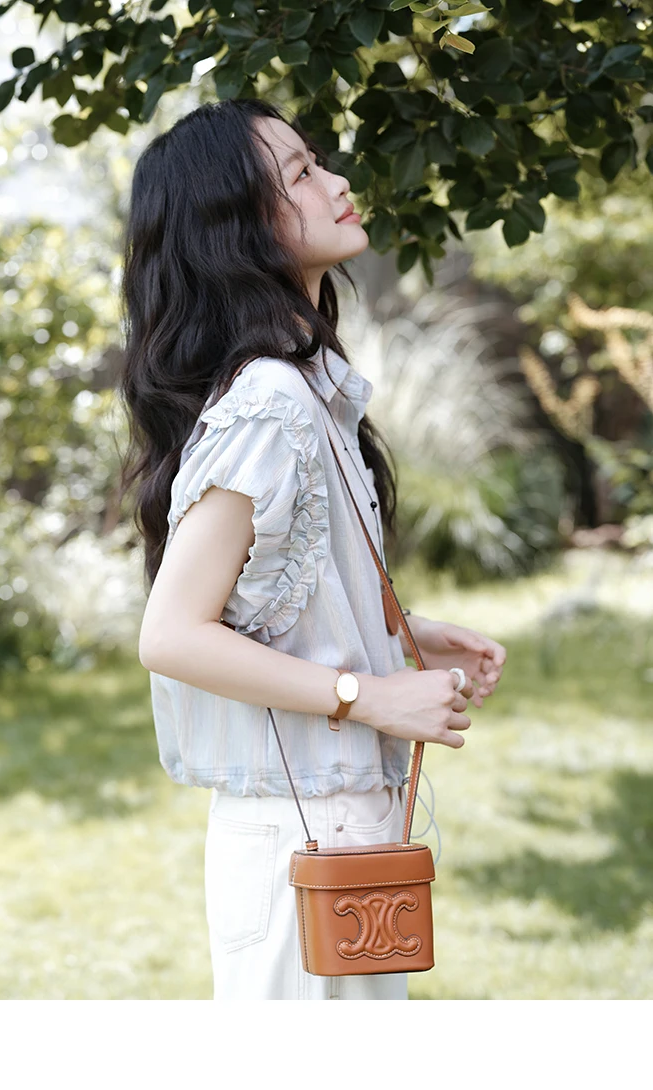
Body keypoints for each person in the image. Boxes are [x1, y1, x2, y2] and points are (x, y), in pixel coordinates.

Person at [119, 96, 506, 1000]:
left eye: (316, 161)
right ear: (237, 228)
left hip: (336, 831)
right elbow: (171, 634)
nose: (335, 182)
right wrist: (371, 695)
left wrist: (402, 631)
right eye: (299, 173)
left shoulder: (303, 388)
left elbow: (272, 597)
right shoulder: (270, 403)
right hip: (306, 837)